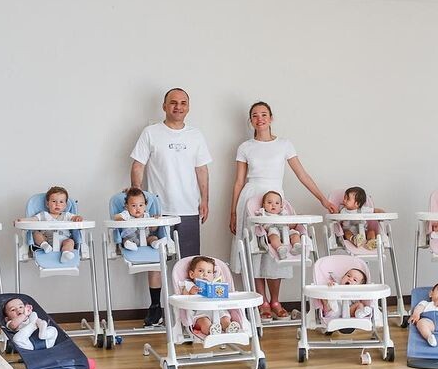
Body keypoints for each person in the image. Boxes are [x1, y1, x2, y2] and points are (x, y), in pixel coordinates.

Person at [230, 101, 336, 321]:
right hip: (251, 200)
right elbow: (239, 181)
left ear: (271, 118)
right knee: (256, 250)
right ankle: (262, 302)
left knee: (278, 247)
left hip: (276, 201)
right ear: (250, 121)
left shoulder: (284, 144)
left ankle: (276, 301)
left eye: (264, 114)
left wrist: (323, 199)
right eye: (255, 115)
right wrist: (233, 212)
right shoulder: (245, 147)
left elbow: (302, 175)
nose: (260, 119)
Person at [130, 88, 212, 326]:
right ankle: (155, 307)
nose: (178, 106)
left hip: (188, 208)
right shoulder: (151, 133)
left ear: (188, 107)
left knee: (190, 263)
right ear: (164, 106)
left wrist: (205, 200)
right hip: (158, 211)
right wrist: (137, 196)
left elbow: (202, 170)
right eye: (173, 102)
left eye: (183, 103)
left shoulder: (195, 135)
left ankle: (189, 311)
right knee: (156, 259)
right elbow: (138, 165)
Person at [179, 255, 242, 339]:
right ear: (192, 274)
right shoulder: (189, 285)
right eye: (201, 271)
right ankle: (211, 330)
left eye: (209, 272)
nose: (205, 274)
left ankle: (229, 327)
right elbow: (183, 298)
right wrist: (191, 293)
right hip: (200, 313)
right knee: (204, 322)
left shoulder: (215, 285)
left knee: (225, 318)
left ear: (213, 275)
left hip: (218, 310)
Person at [25, 185, 80, 265]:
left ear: (65, 205)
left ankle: (65, 253)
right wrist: (22, 220)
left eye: (61, 202)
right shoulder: (43, 215)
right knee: (36, 234)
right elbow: (33, 219)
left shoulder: (67, 215)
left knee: (70, 241)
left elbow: (75, 218)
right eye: (54, 201)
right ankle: (44, 245)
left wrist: (78, 218)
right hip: (46, 240)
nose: (57, 204)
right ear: (47, 204)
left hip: (63, 241)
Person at [254, 190, 304, 260]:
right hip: (273, 230)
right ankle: (280, 249)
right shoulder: (263, 214)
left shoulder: (283, 214)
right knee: (273, 237)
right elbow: (259, 223)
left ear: (281, 206)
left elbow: (290, 224)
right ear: (264, 205)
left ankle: (297, 246)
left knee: (295, 234)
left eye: (277, 203)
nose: (273, 205)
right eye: (269, 202)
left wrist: (296, 220)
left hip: (286, 230)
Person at [114, 187, 168, 252]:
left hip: (145, 238)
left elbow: (152, 229)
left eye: (140, 205)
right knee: (125, 240)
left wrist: (155, 221)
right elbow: (116, 217)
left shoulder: (146, 215)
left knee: (153, 238)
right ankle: (130, 246)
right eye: (134, 205)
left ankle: (155, 243)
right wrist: (121, 219)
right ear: (127, 207)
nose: (138, 208)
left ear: (145, 206)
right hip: (130, 238)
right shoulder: (126, 214)